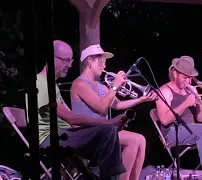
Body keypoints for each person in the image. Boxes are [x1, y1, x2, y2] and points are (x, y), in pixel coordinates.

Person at [28, 40, 126, 179]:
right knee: (108, 131)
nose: (70, 65)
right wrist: (108, 123)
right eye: (66, 60)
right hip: (50, 139)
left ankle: (94, 176)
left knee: (107, 134)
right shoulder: (40, 83)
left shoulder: (51, 85)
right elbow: (71, 118)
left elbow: (71, 119)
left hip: (63, 134)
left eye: (71, 60)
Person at [70, 44, 158, 180]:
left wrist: (142, 99)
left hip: (103, 132)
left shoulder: (101, 86)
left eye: (104, 62)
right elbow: (101, 107)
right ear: (88, 62)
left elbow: (118, 104)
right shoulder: (80, 84)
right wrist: (115, 86)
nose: (104, 66)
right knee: (133, 141)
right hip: (86, 135)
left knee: (141, 139)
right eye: (100, 61)